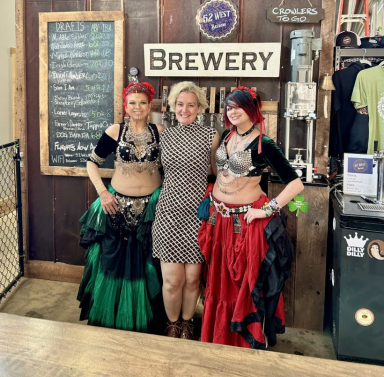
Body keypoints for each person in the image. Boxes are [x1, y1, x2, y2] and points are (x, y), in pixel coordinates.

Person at [197, 86, 304, 349]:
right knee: (219, 282)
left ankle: (242, 343)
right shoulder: (226, 136)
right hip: (219, 219)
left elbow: (295, 184)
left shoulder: (263, 143)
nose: (232, 111)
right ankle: (217, 337)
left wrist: (266, 210)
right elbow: (220, 172)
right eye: (228, 107)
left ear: (252, 110)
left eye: (238, 107)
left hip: (247, 223)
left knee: (242, 283)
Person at [77, 81, 164, 333]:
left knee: (149, 263)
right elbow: (92, 162)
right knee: (112, 261)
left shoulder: (160, 132)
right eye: (132, 103)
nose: (138, 107)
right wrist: (103, 193)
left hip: (152, 209)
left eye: (143, 103)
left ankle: (149, 322)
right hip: (115, 206)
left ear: (150, 106)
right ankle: (111, 320)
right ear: (125, 106)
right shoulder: (115, 131)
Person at [152, 81, 220, 339]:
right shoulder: (164, 135)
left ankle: (188, 323)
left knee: (193, 280)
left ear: (200, 107)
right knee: (172, 280)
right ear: (173, 106)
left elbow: (217, 173)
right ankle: (172, 325)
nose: (185, 109)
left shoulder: (210, 136)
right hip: (168, 212)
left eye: (191, 105)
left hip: (198, 214)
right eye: (180, 104)